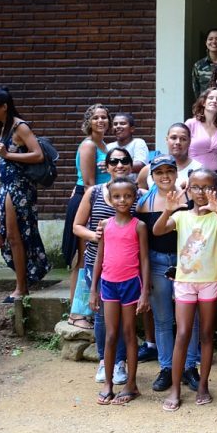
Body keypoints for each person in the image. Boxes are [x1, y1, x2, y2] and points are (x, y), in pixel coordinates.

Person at [153, 168, 217, 411]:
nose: (201, 192)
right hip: (184, 283)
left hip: (210, 282)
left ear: (215, 190)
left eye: (207, 187)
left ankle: (203, 385)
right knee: (183, 333)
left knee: (206, 335)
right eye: (196, 187)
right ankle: (175, 389)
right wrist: (168, 209)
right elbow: (157, 230)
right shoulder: (181, 216)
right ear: (188, 190)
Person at [135, 155, 201, 394]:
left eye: (169, 171)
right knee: (162, 318)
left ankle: (190, 366)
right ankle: (166, 367)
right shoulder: (144, 203)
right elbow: (142, 239)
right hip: (157, 263)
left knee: (190, 318)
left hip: (187, 263)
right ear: (152, 176)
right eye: (159, 172)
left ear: (176, 173)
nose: (165, 176)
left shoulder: (189, 198)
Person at [72, 147, 138, 384]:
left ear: (130, 164)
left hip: (128, 266)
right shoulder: (94, 192)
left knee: (124, 318)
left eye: (124, 160)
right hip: (97, 262)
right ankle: (104, 360)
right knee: (102, 314)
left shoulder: (137, 193)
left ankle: (119, 362)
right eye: (114, 161)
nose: (119, 165)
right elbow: (77, 226)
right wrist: (96, 236)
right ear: (106, 165)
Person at [0, 87, 50, 303]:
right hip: (5, 186)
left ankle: (21, 288)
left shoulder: (20, 126)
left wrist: (7, 154)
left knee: (14, 237)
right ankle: (30, 265)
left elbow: (38, 155)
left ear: (4, 106)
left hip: (19, 187)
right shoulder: (4, 126)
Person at [89, 176, 150, 405]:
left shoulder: (139, 226)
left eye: (127, 196)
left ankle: (131, 384)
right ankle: (108, 384)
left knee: (129, 333)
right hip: (108, 284)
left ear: (134, 198)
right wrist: (93, 289)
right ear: (110, 199)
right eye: (117, 196)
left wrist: (145, 293)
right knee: (111, 334)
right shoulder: (105, 225)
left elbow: (145, 260)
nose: (122, 200)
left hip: (131, 284)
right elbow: (99, 258)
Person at [63, 103, 111, 323]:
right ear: (88, 122)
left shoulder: (104, 146)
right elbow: (90, 182)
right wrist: (93, 212)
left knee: (93, 259)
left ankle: (87, 311)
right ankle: (76, 313)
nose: (101, 121)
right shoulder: (89, 145)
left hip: (99, 201)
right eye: (96, 117)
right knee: (83, 260)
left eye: (104, 117)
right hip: (89, 202)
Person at [136, 123, 203, 191]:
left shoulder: (199, 169)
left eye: (183, 139)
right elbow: (140, 194)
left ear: (189, 142)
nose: (178, 142)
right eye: (173, 138)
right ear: (167, 139)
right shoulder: (148, 170)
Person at [186, 88, 217, 172]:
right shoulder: (191, 124)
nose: (214, 101)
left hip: (216, 174)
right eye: (211, 98)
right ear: (203, 102)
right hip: (193, 173)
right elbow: (180, 149)